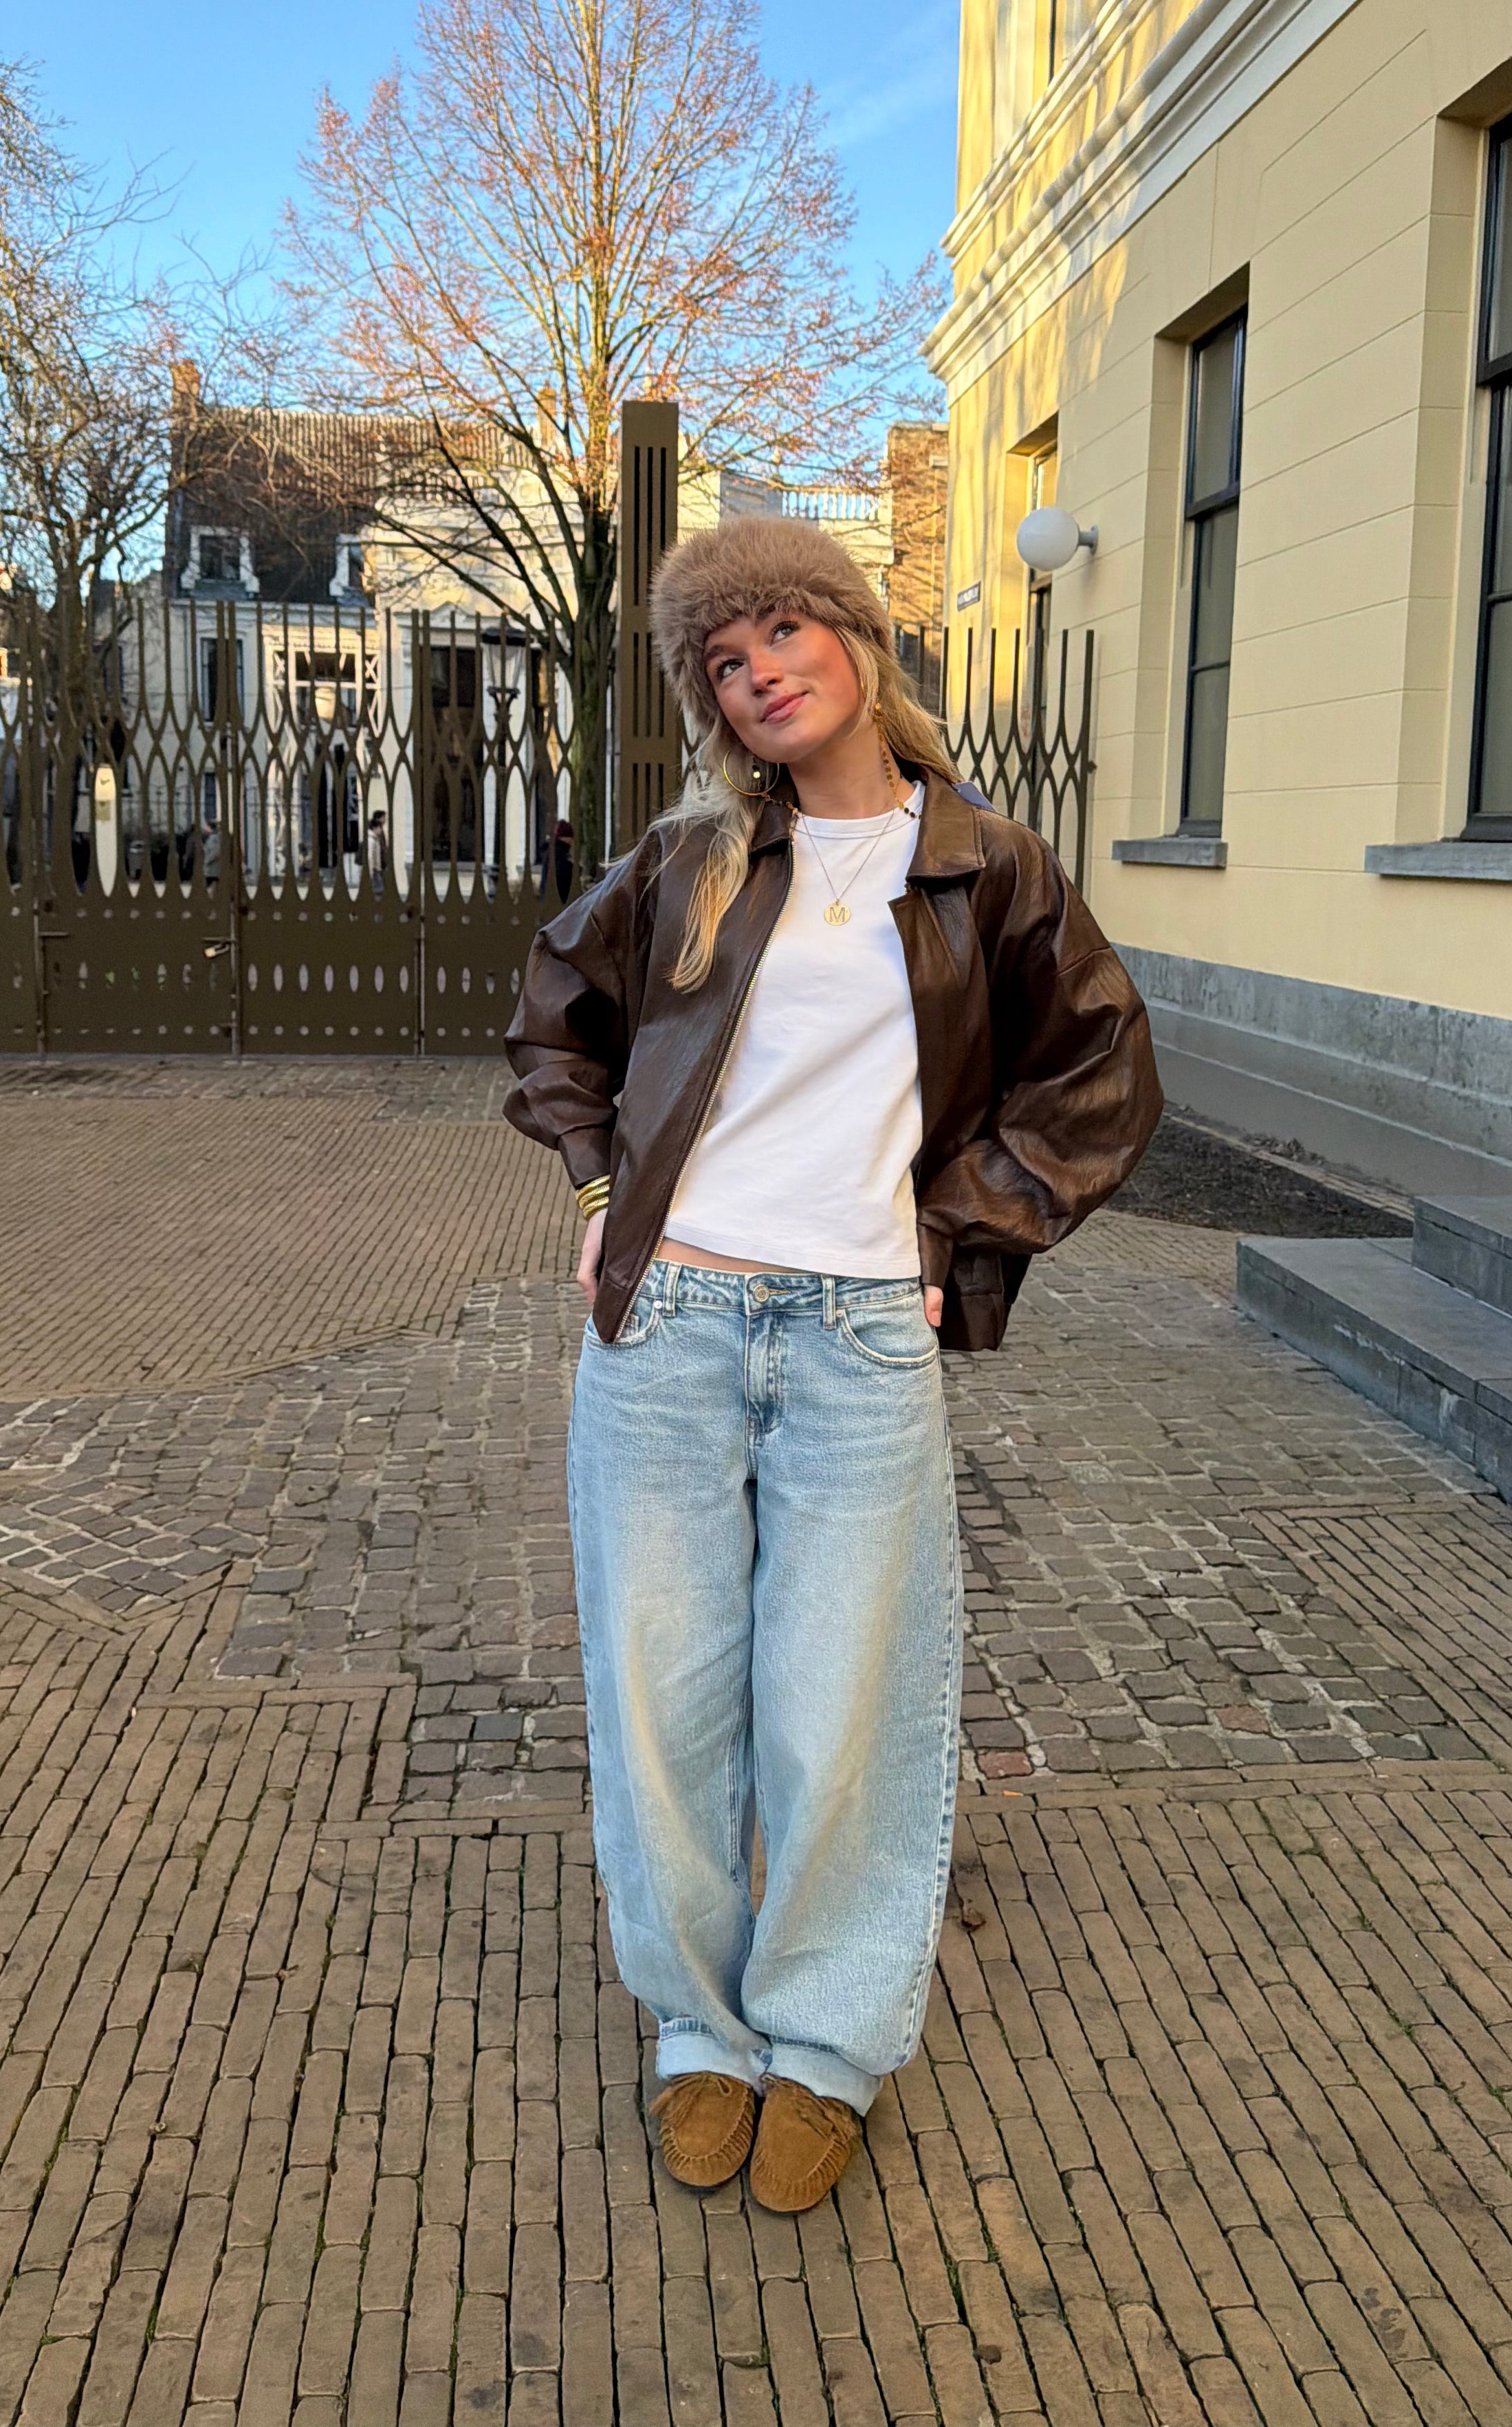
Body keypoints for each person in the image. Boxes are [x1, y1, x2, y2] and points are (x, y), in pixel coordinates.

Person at [504, 518, 1160, 2214]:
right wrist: (599, 1194)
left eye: (785, 632)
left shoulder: (990, 866)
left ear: (859, 640)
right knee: (663, 1699)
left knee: (840, 1704)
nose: (761, 673)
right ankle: (698, 2027)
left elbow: (1100, 1073)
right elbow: (558, 1020)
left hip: (862, 1334)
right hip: (669, 1326)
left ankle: (828, 2043)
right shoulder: (691, 860)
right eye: (726, 662)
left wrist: (954, 1233)